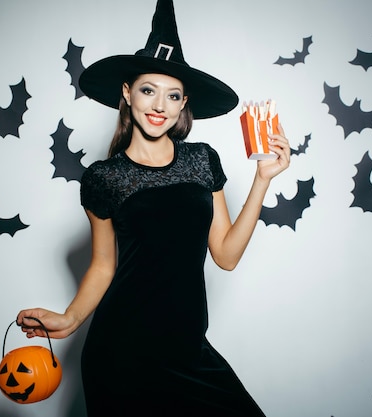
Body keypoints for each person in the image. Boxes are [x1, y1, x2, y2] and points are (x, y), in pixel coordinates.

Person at [17, 1, 290, 415]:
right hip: (122, 357)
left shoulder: (202, 160)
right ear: (127, 93)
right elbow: (103, 265)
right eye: (148, 90)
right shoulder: (103, 178)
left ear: (183, 104)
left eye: (173, 95)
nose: (159, 105)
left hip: (189, 352)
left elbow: (227, 256)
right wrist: (70, 319)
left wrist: (262, 180)